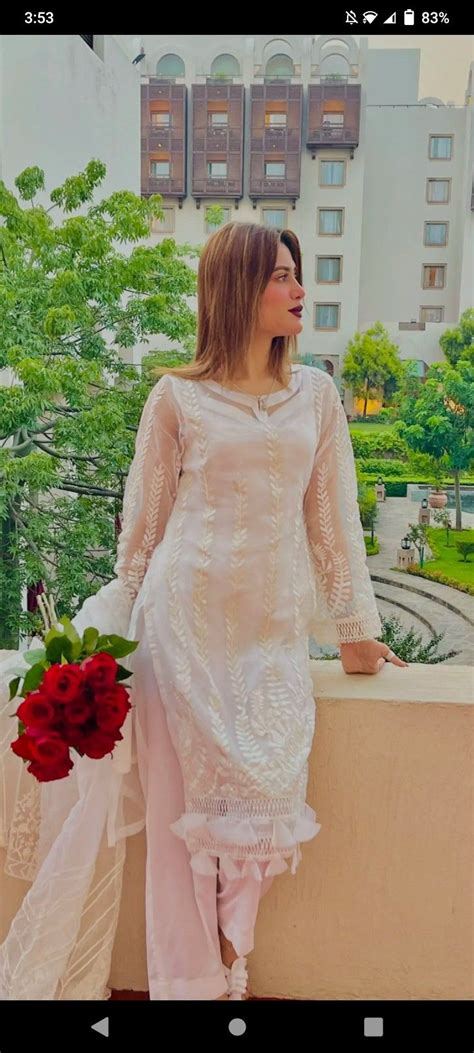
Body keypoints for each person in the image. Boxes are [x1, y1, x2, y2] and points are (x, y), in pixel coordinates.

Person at [0, 222, 407, 1002]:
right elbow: (142, 533)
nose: (298, 291)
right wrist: (103, 639)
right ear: (237, 290)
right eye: (282, 277)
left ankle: (233, 961)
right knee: (179, 833)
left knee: (263, 808)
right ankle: (192, 986)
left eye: (296, 275)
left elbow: (333, 524)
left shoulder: (317, 397)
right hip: (179, 633)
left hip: (272, 644)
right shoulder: (177, 396)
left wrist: (358, 635)